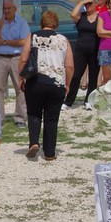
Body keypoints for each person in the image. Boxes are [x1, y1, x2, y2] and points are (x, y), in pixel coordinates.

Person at [19, 11, 74, 161]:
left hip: (35, 81)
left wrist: (21, 78)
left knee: (34, 113)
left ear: (42, 22)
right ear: (55, 23)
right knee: (52, 118)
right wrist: (67, 84)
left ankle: (34, 142)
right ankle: (49, 152)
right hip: (56, 83)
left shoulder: (32, 36)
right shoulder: (63, 40)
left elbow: (23, 59)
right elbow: (69, 66)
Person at [0, 0, 30, 127]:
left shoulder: (22, 23)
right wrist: (0, 28)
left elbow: (24, 41)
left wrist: (6, 41)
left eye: (8, 8)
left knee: (20, 88)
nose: (6, 11)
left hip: (16, 58)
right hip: (0, 57)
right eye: (4, 9)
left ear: (15, 9)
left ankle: (20, 118)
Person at [62, 0, 99, 111]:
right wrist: (81, 3)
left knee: (93, 77)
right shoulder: (81, 16)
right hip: (80, 50)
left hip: (95, 50)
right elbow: (73, 14)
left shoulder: (100, 17)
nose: (88, 6)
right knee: (76, 75)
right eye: (86, 4)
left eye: (90, 3)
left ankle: (89, 100)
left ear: (95, 4)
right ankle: (69, 101)